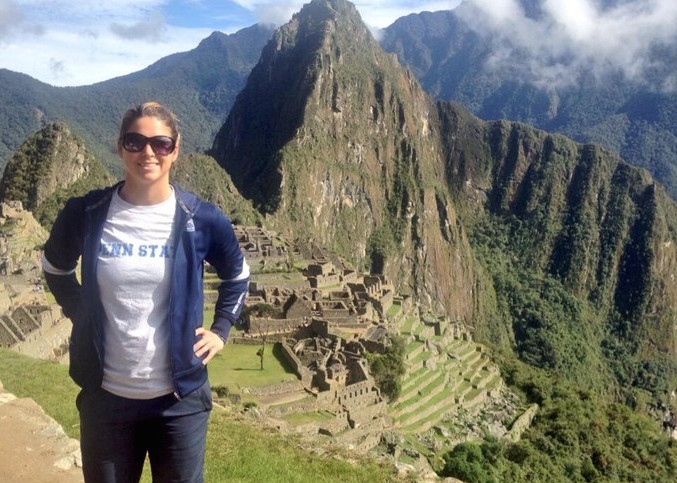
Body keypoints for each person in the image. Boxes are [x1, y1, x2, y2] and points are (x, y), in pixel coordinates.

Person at [42, 101, 250, 482]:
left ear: (176, 149)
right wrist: (82, 311)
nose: (148, 152)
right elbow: (55, 267)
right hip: (107, 399)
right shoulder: (87, 213)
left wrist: (221, 330)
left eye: (161, 143)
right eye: (135, 142)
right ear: (120, 147)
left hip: (180, 400)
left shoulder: (200, 218)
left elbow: (238, 275)